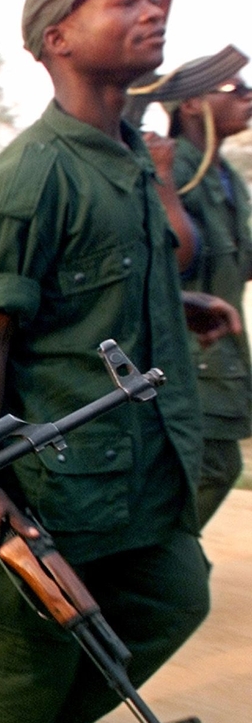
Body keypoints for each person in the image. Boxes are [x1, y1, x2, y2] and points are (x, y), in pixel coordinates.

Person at [0, 0, 215, 723]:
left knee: (174, 595)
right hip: (57, 475)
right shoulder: (30, 175)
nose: (153, 8)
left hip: (141, 461)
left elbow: (98, 290)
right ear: (59, 37)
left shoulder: (128, 157)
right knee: (31, 633)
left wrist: (177, 307)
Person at [148, 48, 252, 528]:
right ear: (191, 105)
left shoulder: (224, 175)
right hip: (186, 355)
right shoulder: (171, 168)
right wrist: (166, 184)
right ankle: (162, 567)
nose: (248, 97)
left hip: (219, 354)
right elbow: (170, 258)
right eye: (234, 89)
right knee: (209, 465)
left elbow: (241, 262)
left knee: (210, 465)